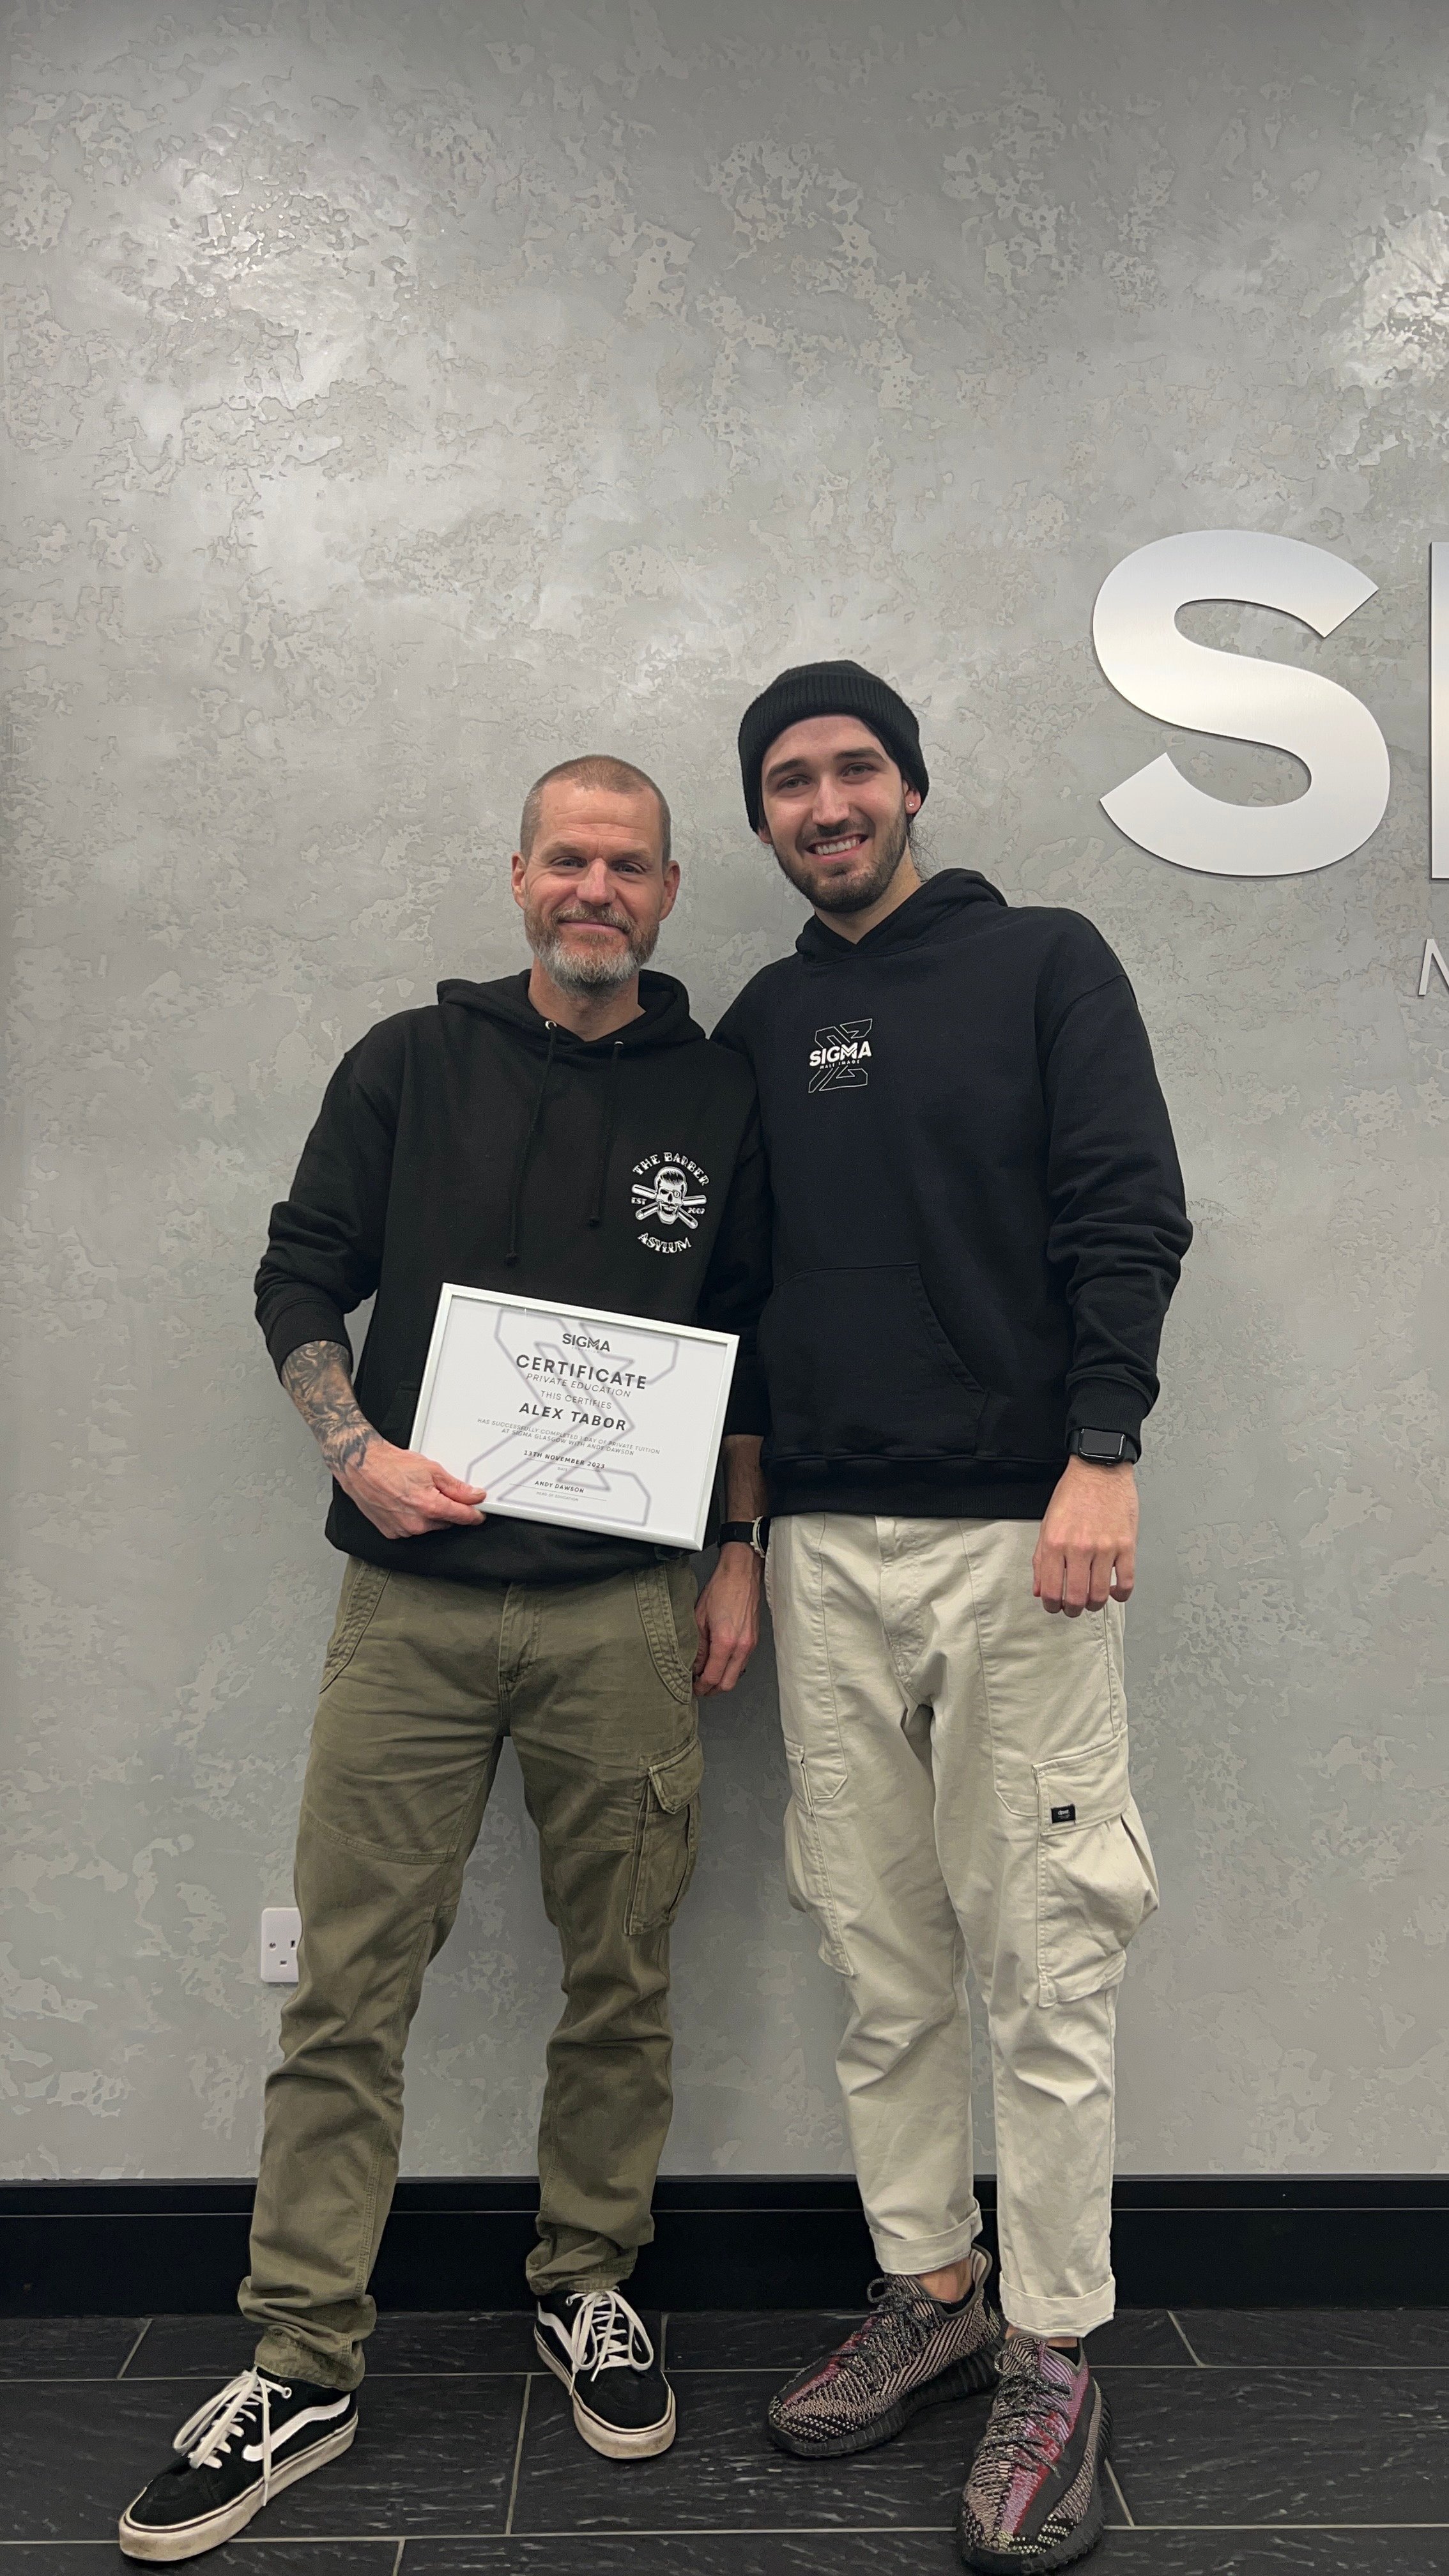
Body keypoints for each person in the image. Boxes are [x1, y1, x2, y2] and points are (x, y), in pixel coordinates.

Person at [118, 755, 771, 2563]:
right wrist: (355, 1450)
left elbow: (745, 1338)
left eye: (626, 865)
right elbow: (295, 1275)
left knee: (621, 1973)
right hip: (408, 1602)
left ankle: (586, 2280)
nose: (594, 887)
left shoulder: (719, 1091)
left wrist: (735, 1558)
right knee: (348, 1986)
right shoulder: (407, 1063)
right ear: (516, 877)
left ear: (660, 891)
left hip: (625, 1613)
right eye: (566, 857)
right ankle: (304, 2357)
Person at [714, 662, 1192, 2576]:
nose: (823, 804)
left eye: (850, 770)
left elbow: (1123, 1210)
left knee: (1046, 1957)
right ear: (761, 824)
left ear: (910, 785)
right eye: (786, 784)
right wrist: (738, 1536)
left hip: (1023, 1539)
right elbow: (730, 1301)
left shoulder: (1048, 964)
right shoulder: (760, 1018)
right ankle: (935, 2286)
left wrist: (1105, 1450)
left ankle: (1057, 2351)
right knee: (876, 1952)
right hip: (824, 1545)